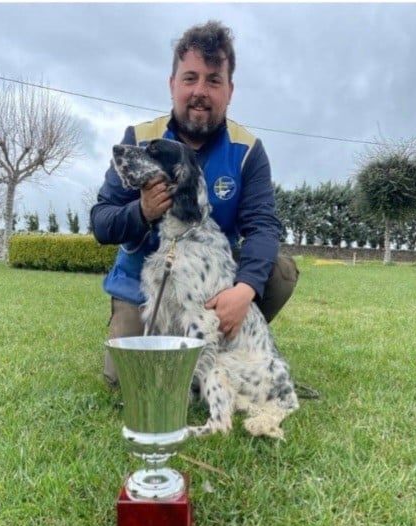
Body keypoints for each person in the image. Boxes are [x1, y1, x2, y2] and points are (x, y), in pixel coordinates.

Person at [91, 20, 299, 385]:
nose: (200, 90)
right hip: (144, 285)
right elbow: (101, 222)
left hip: (208, 286)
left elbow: (264, 227)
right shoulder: (139, 139)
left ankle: (226, 346)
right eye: (190, 78)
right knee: (124, 379)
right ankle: (160, 337)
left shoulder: (249, 150)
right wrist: (142, 211)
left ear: (230, 90)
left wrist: (244, 290)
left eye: (213, 80)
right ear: (173, 84)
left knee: (278, 272)